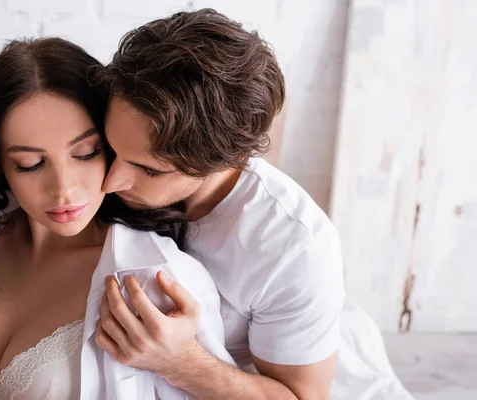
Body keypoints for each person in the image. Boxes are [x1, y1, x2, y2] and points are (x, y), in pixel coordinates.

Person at [0, 37, 234, 399]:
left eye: (86, 153)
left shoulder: (157, 279)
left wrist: (186, 362)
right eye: (30, 164)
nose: (63, 189)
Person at [94, 8, 411, 400]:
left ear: (225, 161)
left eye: (151, 171)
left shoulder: (295, 247)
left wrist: (180, 362)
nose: (110, 182)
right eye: (110, 149)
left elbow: (300, 397)